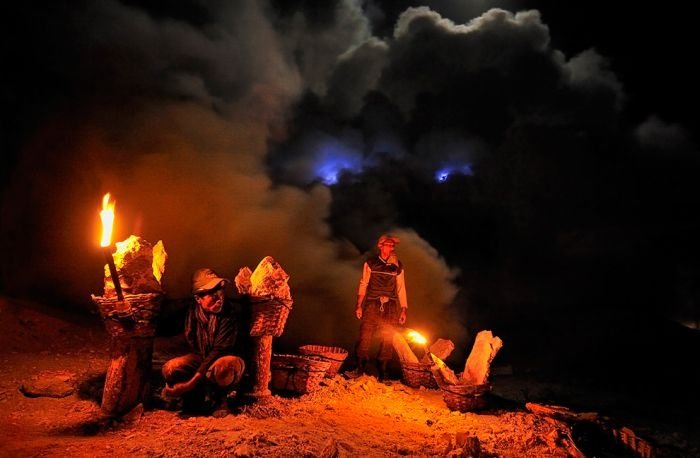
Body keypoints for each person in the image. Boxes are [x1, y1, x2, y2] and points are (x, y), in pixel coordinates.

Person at [162, 268, 246, 415]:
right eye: (212, 295)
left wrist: (190, 383)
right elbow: (166, 326)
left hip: (226, 359)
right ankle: (193, 399)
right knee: (171, 368)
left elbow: (219, 350)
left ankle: (221, 399)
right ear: (198, 299)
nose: (219, 298)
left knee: (224, 367)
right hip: (203, 356)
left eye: (220, 292)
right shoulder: (191, 313)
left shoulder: (229, 314)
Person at [352, 234, 408, 380]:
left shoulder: (397, 266)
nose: (391, 247)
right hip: (372, 303)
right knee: (365, 335)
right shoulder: (371, 263)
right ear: (380, 245)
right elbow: (363, 284)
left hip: (390, 305)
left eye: (392, 245)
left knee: (387, 337)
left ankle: (383, 372)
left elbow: (401, 288)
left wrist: (403, 309)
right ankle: (359, 369)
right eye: (388, 244)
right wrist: (359, 305)